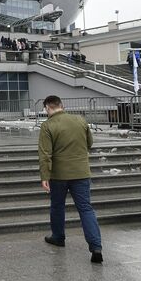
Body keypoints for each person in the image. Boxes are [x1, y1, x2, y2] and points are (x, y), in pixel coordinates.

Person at [37, 95, 103, 263]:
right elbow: (89, 143)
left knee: (57, 206)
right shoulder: (80, 120)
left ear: (47, 108)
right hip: (81, 172)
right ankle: (96, 247)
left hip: (58, 175)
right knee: (86, 209)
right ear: (62, 105)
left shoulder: (48, 125)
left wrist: (45, 176)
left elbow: (45, 154)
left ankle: (58, 237)